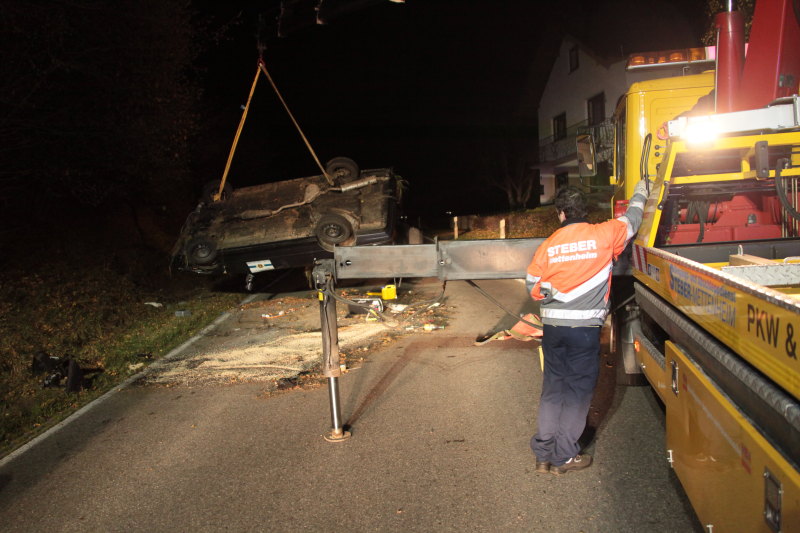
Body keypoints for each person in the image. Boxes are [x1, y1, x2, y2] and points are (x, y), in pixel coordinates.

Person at [526, 182, 646, 475]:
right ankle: (564, 457)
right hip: (584, 331)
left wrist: (556, 294)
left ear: (561, 213)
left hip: (553, 329)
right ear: (585, 211)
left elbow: (533, 287)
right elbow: (632, 219)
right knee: (577, 392)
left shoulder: (549, 244)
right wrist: (642, 191)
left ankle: (543, 455)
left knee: (553, 389)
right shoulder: (604, 233)